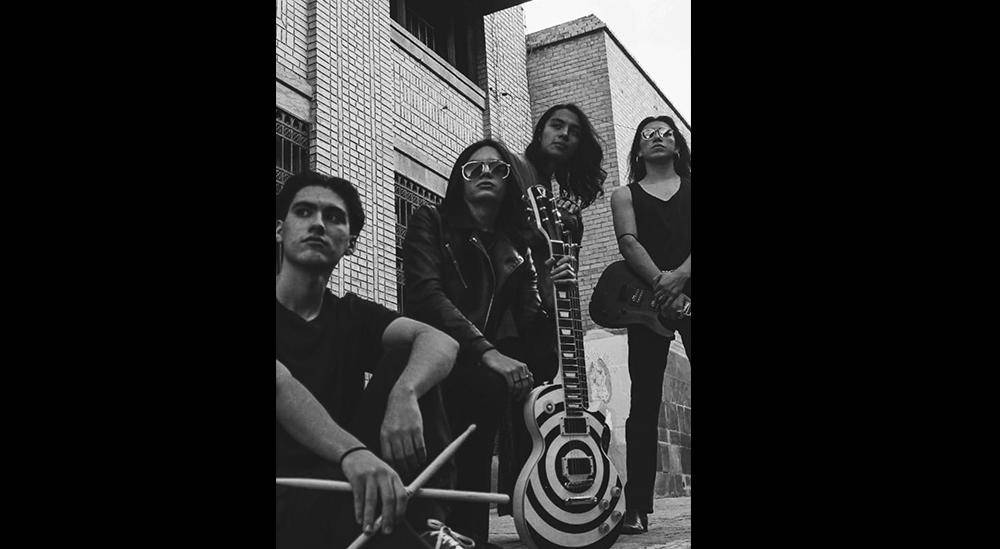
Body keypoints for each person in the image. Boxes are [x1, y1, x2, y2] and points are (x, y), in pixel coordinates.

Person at [275, 171, 466, 549]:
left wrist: (404, 393)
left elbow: (441, 342)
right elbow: (279, 383)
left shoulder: (350, 314)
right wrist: (354, 453)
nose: (318, 224)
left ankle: (429, 525)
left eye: (333, 217)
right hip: (288, 491)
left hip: (353, 483)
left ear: (350, 244)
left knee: (411, 358)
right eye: (304, 211)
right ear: (279, 230)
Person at [402, 139, 575, 548]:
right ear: (459, 180)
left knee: (506, 383)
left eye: (497, 168)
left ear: (508, 181)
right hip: (429, 353)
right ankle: (438, 529)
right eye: (473, 168)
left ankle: (472, 532)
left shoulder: (516, 247)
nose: (484, 174)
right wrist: (488, 351)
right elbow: (426, 295)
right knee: (484, 385)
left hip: (482, 366)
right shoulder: (432, 220)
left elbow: (535, 337)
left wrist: (552, 293)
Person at [495, 103, 609, 517]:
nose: (563, 134)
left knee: (542, 410)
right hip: (509, 310)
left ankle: (550, 506)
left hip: (550, 318)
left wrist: (565, 270)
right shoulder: (514, 171)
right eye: (556, 125)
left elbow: (567, 270)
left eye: (573, 131)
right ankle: (521, 506)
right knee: (516, 411)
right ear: (540, 130)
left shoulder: (566, 205)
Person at [610, 116, 692, 534]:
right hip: (649, 302)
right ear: (638, 149)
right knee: (643, 403)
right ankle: (637, 507)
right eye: (648, 135)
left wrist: (681, 277)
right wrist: (663, 283)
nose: (657, 139)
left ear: (677, 145)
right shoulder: (624, 194)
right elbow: (628, 242)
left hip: (684, 290)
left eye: (665, 134)